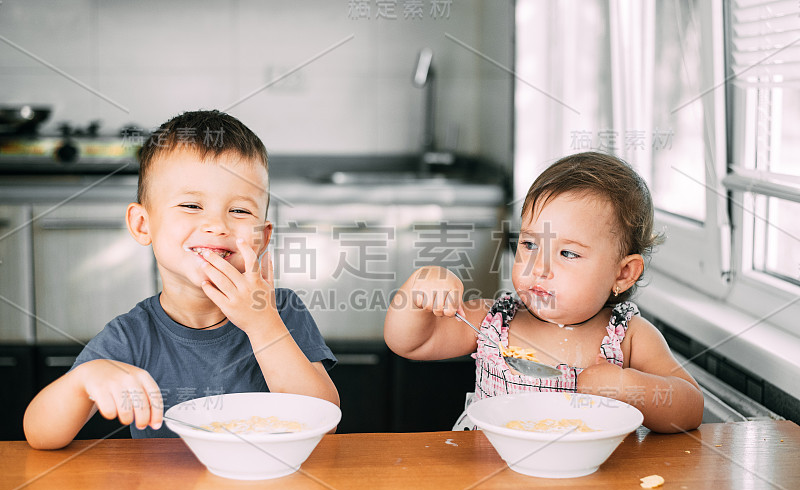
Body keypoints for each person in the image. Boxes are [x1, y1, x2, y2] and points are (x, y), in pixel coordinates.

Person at [24, 110, 339, 449]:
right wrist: (82, 381)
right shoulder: (132, 336)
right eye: (191, 205)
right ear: (143, 225)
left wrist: (263, 325)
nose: (217, 225)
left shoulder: (281, 310)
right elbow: (40, 435)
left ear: (262, 235)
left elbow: (323, 422)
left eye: (240, 211)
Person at [384, 151, 703, 433]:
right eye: (529, 244)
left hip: (595, 487)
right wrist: (417, 292)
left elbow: (690, 408)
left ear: (622, 274)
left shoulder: (629, 336)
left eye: (568, 254)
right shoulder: (494, 321)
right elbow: (411, 342)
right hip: (494, 477)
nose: (539, 267)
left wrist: (628, 386)